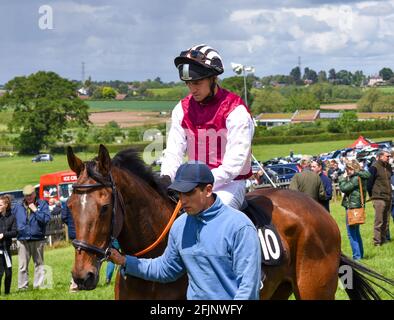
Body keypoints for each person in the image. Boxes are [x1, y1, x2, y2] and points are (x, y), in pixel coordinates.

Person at [108, 162, 262, 300]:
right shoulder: (180, 225)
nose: (183, 200)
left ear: (208, 190)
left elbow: (248, 288)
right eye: (180, 193)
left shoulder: (240, 226)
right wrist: (125, 261)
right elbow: (166, 269)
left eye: (189, 193)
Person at [159, 44, 255, 210]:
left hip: (229, 185)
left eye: (197, 83)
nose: (192, 89)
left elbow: (233, 165)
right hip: (193, 186)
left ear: (213, 78)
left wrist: (198, 182)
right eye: (188, 83)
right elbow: (174, 151)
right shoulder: (181, 109)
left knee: (212, 218)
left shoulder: (236, 111)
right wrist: (167, 178)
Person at [13, 185, 51, 290]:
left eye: (30, 195)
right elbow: (13, 220)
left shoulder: (42, 204)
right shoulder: (18, 206)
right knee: (22, 266)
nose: (28, 197)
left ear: (34, 194)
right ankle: (22, 287)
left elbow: (46, 219)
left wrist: (35, 210)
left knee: (39, 264)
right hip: (22, 239)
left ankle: (38, 286)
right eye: (26, 195)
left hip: (37, 238)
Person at [339, 160, 370, 260]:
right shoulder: (361, 176)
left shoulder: (356, 178)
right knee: (356, 232)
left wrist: (342, 178)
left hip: (352, 208)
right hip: (357, 207)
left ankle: (357, 257)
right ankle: (360, 254)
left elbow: (344, 188)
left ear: (353, 168)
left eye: (348, 169)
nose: (346, 171)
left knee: (351, 234)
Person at [367, 150, 392, 246]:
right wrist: (372, 196)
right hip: (378, 197)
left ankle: (384, 239)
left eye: (389, 156)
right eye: (387, 156)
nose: (389, 158)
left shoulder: (389, 167)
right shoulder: (374, 167)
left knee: (386, 220)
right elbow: (369, 183)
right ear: (381, 156)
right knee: (379, 220)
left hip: (388, 196)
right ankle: (377, 242)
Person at [0, 195, 17, 295]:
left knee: (8, 273)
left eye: (0, 204)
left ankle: (7, 293)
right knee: (0, 273)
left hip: (6, 250)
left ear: (6, 205)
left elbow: (15, 232)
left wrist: (3, 235)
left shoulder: (12, 217)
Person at [61, 204, 78, 292]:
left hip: (73, 232)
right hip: (81, 233)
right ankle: (74, 283)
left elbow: (63, 217)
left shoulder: (68, 201)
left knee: (78, 257)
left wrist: (70, 225)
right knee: (79, 258)